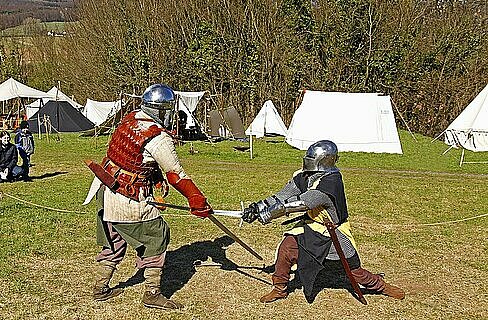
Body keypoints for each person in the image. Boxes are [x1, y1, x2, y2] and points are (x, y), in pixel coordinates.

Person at [85, 84, 212, 310]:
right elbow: (176, 174)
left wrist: (154, 176)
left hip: (105, 190)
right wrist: (196, 199)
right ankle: (152, 293)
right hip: (128, 196)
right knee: (156, 235)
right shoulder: (157, 137)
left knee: (115, 240)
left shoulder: (131, 119)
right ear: (162, 110)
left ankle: (100, 287)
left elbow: (134, 157)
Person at [242, 140, 405, 303]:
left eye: (312, 158)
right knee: (286, 249)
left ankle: (381, 286)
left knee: (353, 270)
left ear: (323, 161)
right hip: (310, 225)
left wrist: (264, 215)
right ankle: (279, 289)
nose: (307, 161)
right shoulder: (306, 175)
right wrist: (257, 207)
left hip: (332, 231)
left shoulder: (330, 183)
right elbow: (283, 195)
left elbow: (299, 203)